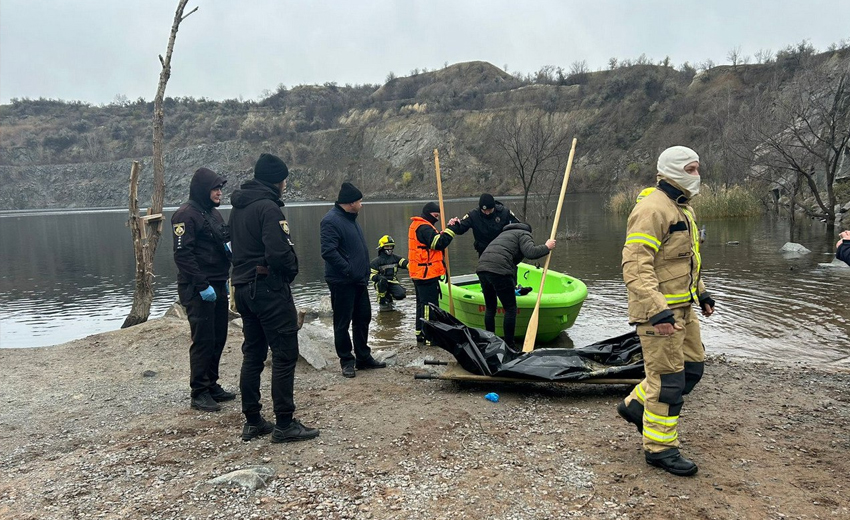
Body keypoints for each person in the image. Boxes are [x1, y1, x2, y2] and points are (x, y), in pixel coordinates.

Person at [617, 145, 715, 477]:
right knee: (668, 381)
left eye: (697, 168)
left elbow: (681, 262)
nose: (697, 175)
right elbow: (635, 266)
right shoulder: (652, 210)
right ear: (671, 170)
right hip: (658, 314)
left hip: (682, 308)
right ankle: (659, 449)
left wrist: (701, 294)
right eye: (690, 169)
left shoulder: (683, 209)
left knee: (692, 369)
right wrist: (657, 312)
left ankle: (635, 405)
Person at [229, 153, 319, 443]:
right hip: (267, 288)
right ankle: (284, 423)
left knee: (253, 354)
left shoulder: (239, 209)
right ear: (276, 181)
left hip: (243, 288)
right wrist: (290, 272)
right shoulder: (268, 209)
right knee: (284, 353)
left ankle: (253, 420)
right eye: (283, 180)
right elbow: (279, 254)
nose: (284, 185)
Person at [171, 167, 236, 413]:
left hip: (218, 282)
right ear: (203, 190)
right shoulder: (185, 216)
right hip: (198, 287)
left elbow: (223, 242)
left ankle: (212, 384)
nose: (219, 193)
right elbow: (183, 256)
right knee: (203, 339)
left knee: (219, 336)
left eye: (220, 188)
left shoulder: (213, 214)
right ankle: (199, 391)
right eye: (215, 189)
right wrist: (202, 285)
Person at [320, 182, 386, 378]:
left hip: (358, 280)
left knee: (363, 318)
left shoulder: (350, 218)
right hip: (342, 281)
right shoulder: (330, 221)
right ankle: (346, 361)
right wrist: (348, 270)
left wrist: (361, 273)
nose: (361, 205)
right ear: (350, 203)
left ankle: (363, 358)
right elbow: (328, 252)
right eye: (359, 201)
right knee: (342, 322)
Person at [476, 223, 555, 349]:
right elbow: (530, 252)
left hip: (482, 269)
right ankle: (509, 345)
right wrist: (547, 247)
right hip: (499, 270)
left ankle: (489, 341)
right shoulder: (524, 234)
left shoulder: (503, 234)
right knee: (510, 308)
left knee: (490, 308)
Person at [408, 201, 456, 343]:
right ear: (429, 214)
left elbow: (432, 241)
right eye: (435, 216)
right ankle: (430, 337)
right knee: (429, 306)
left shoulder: (419, 225)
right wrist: (450, 230)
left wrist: (444, 232)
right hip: (425, 274)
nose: (436, 219)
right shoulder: (423, 227)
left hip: (419, 273)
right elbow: (437, 243)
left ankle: (420, 333)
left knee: (421, 305)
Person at [448, 193, 521, 256]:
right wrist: (453, 224)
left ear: (494, 207)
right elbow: (461, 228)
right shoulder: (473, 215)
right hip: (484, 251)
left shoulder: (504, 213)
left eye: (489, 210)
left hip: (503, 250)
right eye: (484, 211)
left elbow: (518, 226)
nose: (487, 213)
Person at [370, 235, 409, 312]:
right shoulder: (375, 262)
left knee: (401, 294)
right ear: (382, 247)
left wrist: (412, 266)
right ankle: (382, 299)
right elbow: (371, 276)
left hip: (392, 282)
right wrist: (379, 278)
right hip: (381, 283)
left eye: (391, 246)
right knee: (383, 282)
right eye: (387, 246)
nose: (389, 249)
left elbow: (405, 263)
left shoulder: (395, 258)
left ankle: (390, 297)